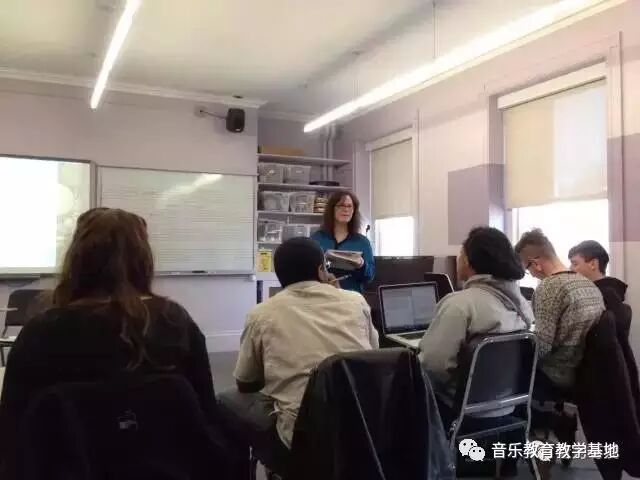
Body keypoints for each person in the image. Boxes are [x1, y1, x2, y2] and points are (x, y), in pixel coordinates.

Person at [0, 208, 220, 477]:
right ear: (143, 260)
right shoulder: (175, 323)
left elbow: (13, 433)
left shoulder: (40, 332)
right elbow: (206, 417)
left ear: (77, 261)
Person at [218, 237, 378, 475]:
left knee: (225, 400)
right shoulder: (356, 302)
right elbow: (373, 356)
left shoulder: (262, 314)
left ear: (279, 275)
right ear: (321, 270)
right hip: (363, 432)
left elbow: (246, 382)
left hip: (302, 443)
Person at [419, 226, 534, 400]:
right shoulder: (522, 306)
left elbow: (432, 366)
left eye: (460, 253)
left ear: (468, 260)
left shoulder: (459, 305)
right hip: (509, 405)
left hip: (456, 406)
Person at [515, 229, 604, 396]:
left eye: (527, 269)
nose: (531, 275)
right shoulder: (589, 284)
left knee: (504, 366)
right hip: (587, 372)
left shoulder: (549, 287)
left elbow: (541, 349)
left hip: (557, 375)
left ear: (535, 263)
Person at [311, 190, 375, 293]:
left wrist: (361, 265)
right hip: (322, 296)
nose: (346, 210)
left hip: (351, 298)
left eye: (349, 206)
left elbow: (370, 277)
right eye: (341, 205)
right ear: (332, 209)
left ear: (354, 211)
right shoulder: (317, 238)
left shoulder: (362, 242)